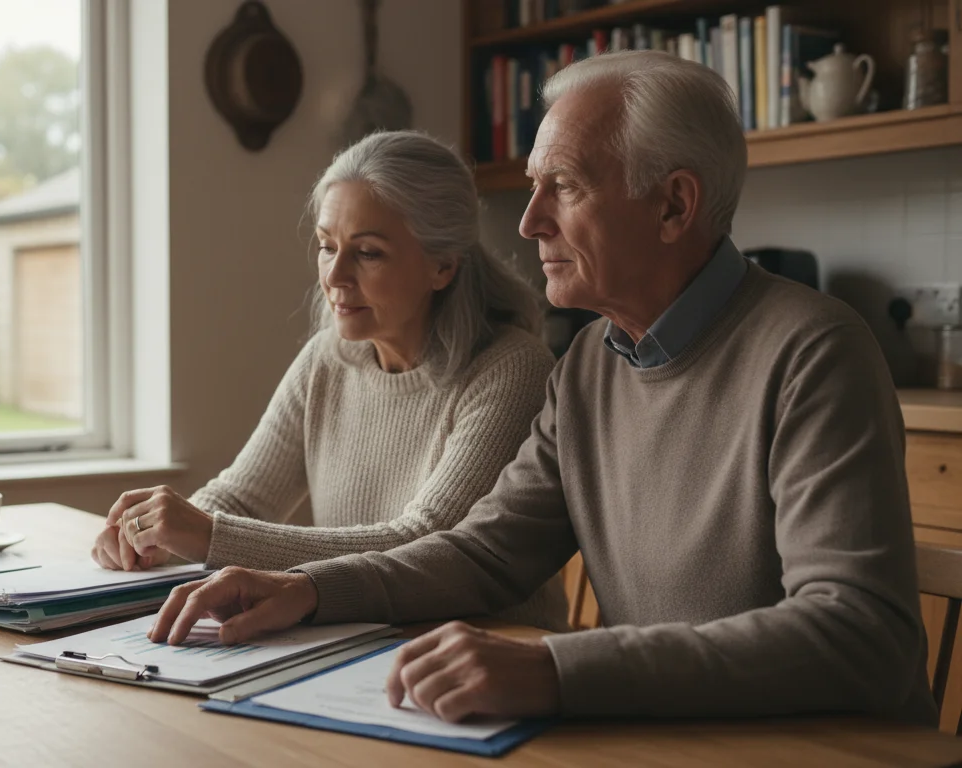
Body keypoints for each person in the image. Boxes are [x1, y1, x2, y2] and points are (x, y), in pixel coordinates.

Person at [147, 51, 937, 727]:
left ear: (673, 205)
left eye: (562, 186)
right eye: (532, 186)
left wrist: (560, 669)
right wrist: (307, 590)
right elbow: (487, 553)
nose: (527, 224)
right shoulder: (594, 359)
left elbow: (861, 635)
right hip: (663, 739)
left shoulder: (814, 351)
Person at [91, 131, 568, 630]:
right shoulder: (327, 359)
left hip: (493, 653)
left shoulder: (511, 369)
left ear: (443, 265)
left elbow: (427, 544)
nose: (335, 275)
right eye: (326, 246)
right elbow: (241, 498)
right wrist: (154, 537)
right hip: (358, 643)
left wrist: (208, 534)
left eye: (368, 253)